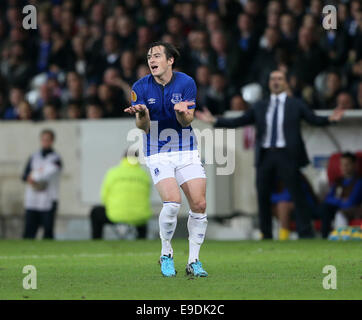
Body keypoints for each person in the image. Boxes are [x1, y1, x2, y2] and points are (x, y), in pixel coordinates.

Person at [196, 70, 344, 239]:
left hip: (287, 154)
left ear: (285, 83)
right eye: (273, 78)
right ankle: (266, 233)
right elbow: (239, 121)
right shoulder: (260, 106)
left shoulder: (295, 104)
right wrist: (215, 121)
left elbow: (313, 119)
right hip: (266, 155)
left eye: (279, 78)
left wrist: (330, 120)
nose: (275, 81)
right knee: (263, 194)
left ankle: (305, 232)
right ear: (268, 83)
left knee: (297, 193)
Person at [124, 41, 208, 277]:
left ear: (170, 60)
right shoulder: (140, 87)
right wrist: (142, 113)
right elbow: (143, 126)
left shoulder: (187, 83)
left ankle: (194, 261)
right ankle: (166, 254)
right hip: (157, 150)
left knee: (199, 204)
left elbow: (187, 122)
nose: (152, 60)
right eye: (149, 56)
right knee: (172, 202)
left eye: (157, 55)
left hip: (186, 149)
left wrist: (182, 112)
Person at [90, 151, 152, 239]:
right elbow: (147, 196)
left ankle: (96, 241)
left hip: (115, 215)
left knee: (95, 212)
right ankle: (142, 240)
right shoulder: (144, 175)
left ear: (123, 158)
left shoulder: (112, 172)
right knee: (141, 216)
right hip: (139, 217)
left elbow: (104, 197)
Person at [22, 129, 62, 239]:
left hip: (48, 199)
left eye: (48, 140)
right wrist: (29, 178)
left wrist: (33, 176)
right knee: (29, 231)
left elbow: (49, 171)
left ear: (52, 141)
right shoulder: (34, 156)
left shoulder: (56, 158)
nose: (45, 142)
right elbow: (24, 176)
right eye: (43, 139)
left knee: (48, 231)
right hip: (33, 199)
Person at [319, 152, 362, 238]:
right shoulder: (338, 181)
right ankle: (324, 237)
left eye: (347, 164)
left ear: (354, 165)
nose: (344, 167)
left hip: (353, 209)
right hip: (336, 207)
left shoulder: (359, 181)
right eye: (342, 165)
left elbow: (351, 202)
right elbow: (327, 198)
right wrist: (340, 201)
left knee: (338, 212)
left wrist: (335, 200)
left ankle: (340, 235)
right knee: (325, 207)